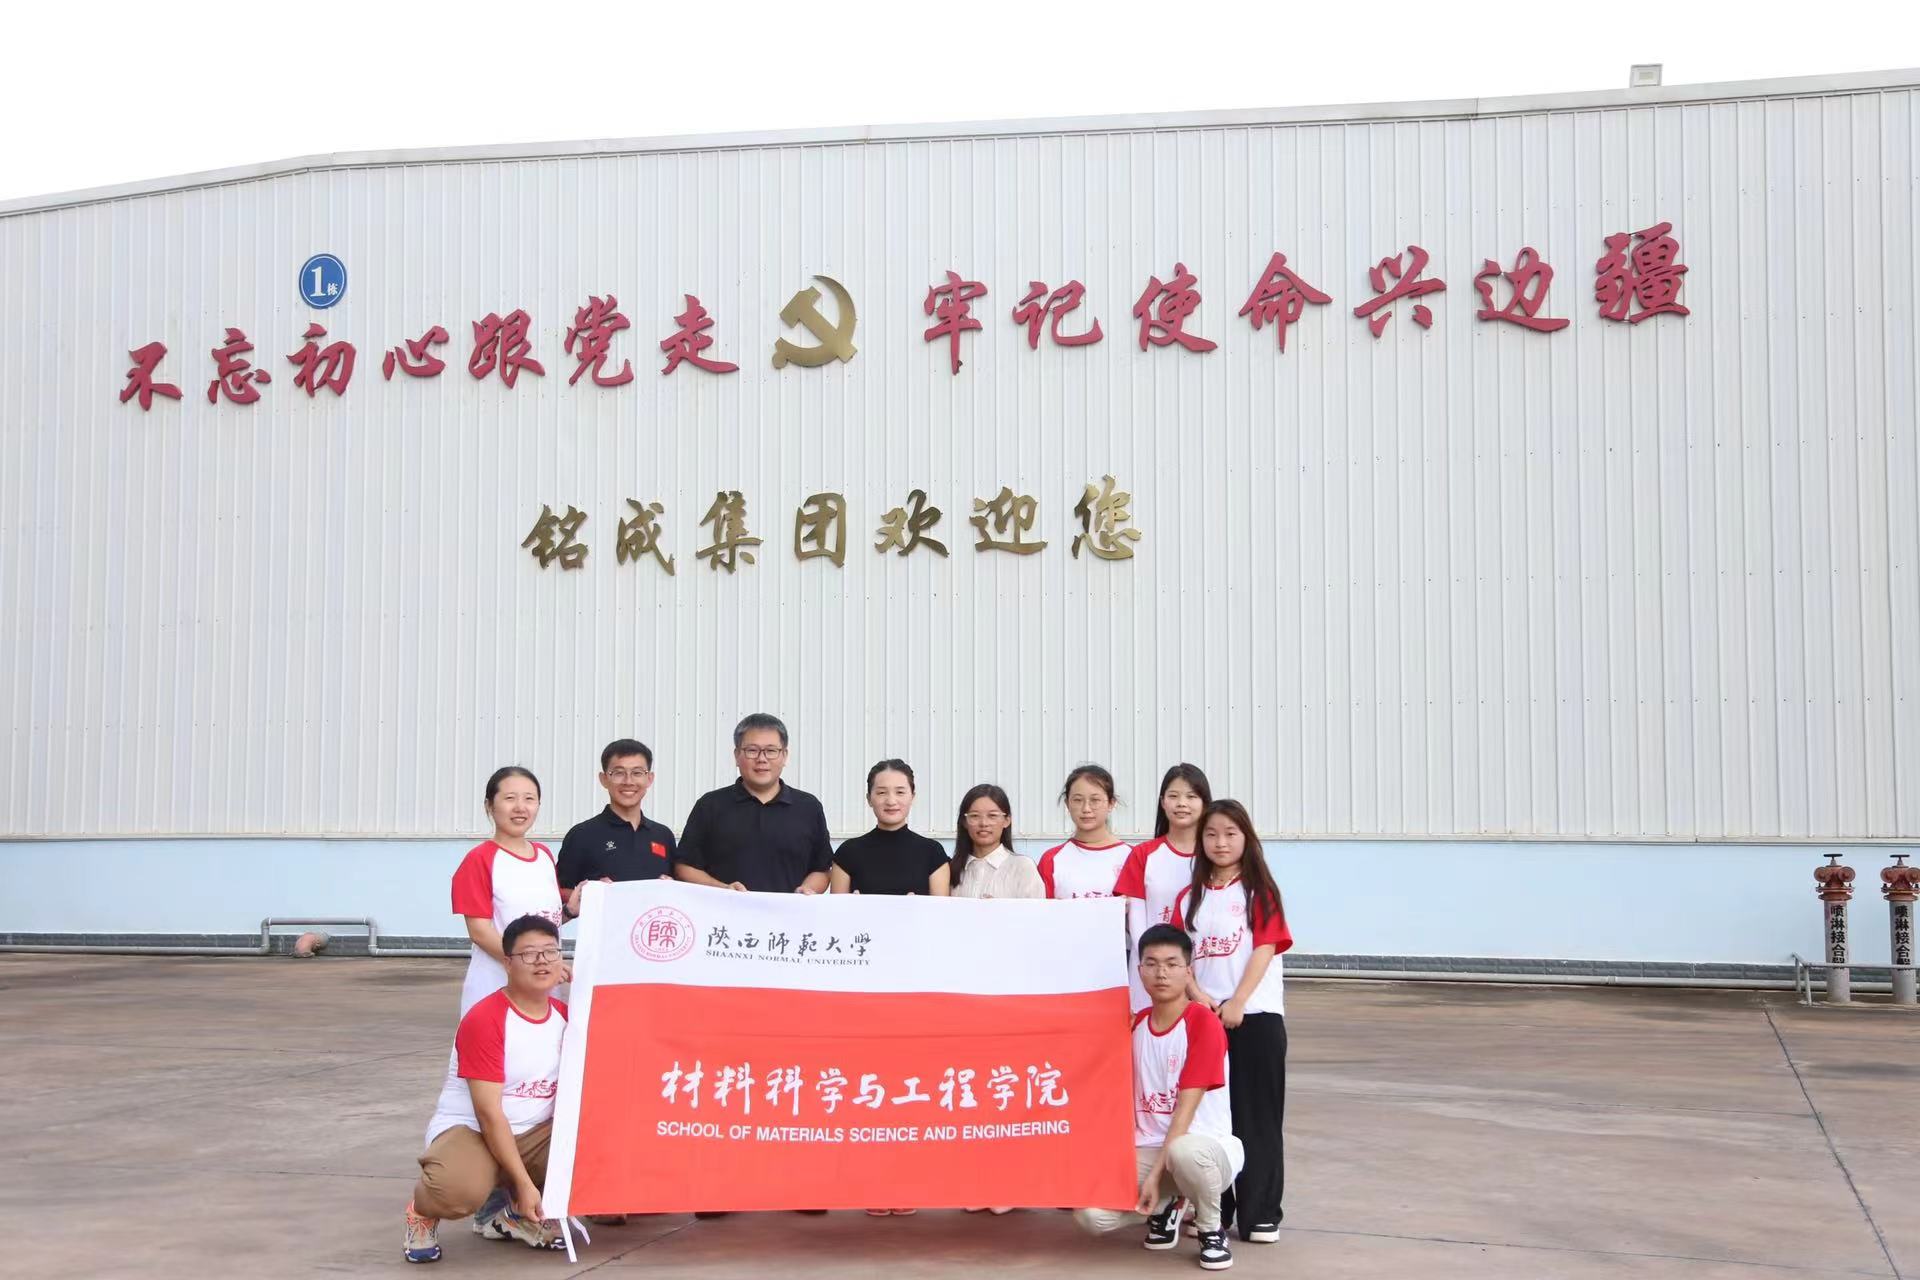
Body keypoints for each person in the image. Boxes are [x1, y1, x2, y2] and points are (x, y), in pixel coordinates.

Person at [404, 915, 570, 1263]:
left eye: (550, 952)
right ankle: (422, 1211)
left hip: (536, 1133)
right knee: (456, 1190)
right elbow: (489, 1114)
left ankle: (510, 1216)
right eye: (529, 954)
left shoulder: (567, 1017)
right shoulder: (486, 1019)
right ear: (507, 963)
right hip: (475, 1131)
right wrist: (524, 1183)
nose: (541, 961)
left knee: (606, 1147)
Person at [1074, 924, 1238, 1272]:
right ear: (1139, 971)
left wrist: (1152, 1178)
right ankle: (1166, 1205)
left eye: (1171, 964)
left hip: (1205, 1149)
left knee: (1184, 1152)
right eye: (1151, 964)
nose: (1161, 973)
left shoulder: (1202, 1023)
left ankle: (1211, 1228)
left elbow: (1184, 1113)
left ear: (1188, 972)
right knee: (1090, 1216)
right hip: (1149, 1150)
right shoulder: (1135, 1026)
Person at [1171, 800, 1292, 1245]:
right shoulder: (1190, 897)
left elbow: (1265, 948)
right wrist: (1198, 996)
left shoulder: (1260, 892)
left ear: (1246, 838)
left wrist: (1238, 1001)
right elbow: (1179, 955)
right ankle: (1216, 1212)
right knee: (1210, 1122)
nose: (1220, 843)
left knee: (1257, 1119)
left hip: (1255, 1018)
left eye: (1230, 834)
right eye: (1211, 834)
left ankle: (1261, 1214)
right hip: (1205, 1022)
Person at [674, 713, 833, 895]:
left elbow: (822, 868)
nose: (762, 759)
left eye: (771, 751)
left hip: (789, 912)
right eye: (752, 750)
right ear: (737, 755)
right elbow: (684, 866)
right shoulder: (710, 805)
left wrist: (807, 890)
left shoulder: (808, 807)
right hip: (724, 911)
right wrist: (723, 890)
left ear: (784, 756)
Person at [450, 767, 565, 1016]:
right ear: (489, 806)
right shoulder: (480, 859)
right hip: (496, 985)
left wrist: (571, 910)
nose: (520, 807)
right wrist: (530, 963)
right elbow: (480, 932)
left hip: (544, 984)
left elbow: (542, 919)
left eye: (529, 799)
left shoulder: (544, 856)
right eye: (510, 798)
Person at [556, 738, 677, 919]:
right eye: (619, 773)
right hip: (603, 934)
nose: (628, 781)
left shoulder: (663, 835)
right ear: (604, 779)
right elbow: (561, 890)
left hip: (652, 933)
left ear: (649, 778)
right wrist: (592, 893)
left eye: (637, 773)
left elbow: (678, 889)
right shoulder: (582, 834)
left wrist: (672, 886)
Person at [830, 759, 950, 898]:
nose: (891, 801)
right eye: (882, 792)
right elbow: (836, 908)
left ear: (912, 797)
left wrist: (917, 907)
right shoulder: (847, 852)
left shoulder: (933, 853)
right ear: (869, 799)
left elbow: (940, 909)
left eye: (900, 792)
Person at [1037, 764, 1130, 900]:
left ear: (1111, 803)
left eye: (1095, 800)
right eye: (1078, 800)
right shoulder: (1051, 860)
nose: (1086, 809)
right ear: (1067, 804)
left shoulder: (1132, 857)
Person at [949, 783, 1045, 900]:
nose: (984, 823)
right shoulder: (951, 869)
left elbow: (1034, 910)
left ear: (1007, 820)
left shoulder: (1022, 867)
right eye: (975, 816)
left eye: (992, 815)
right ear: (964, 822)